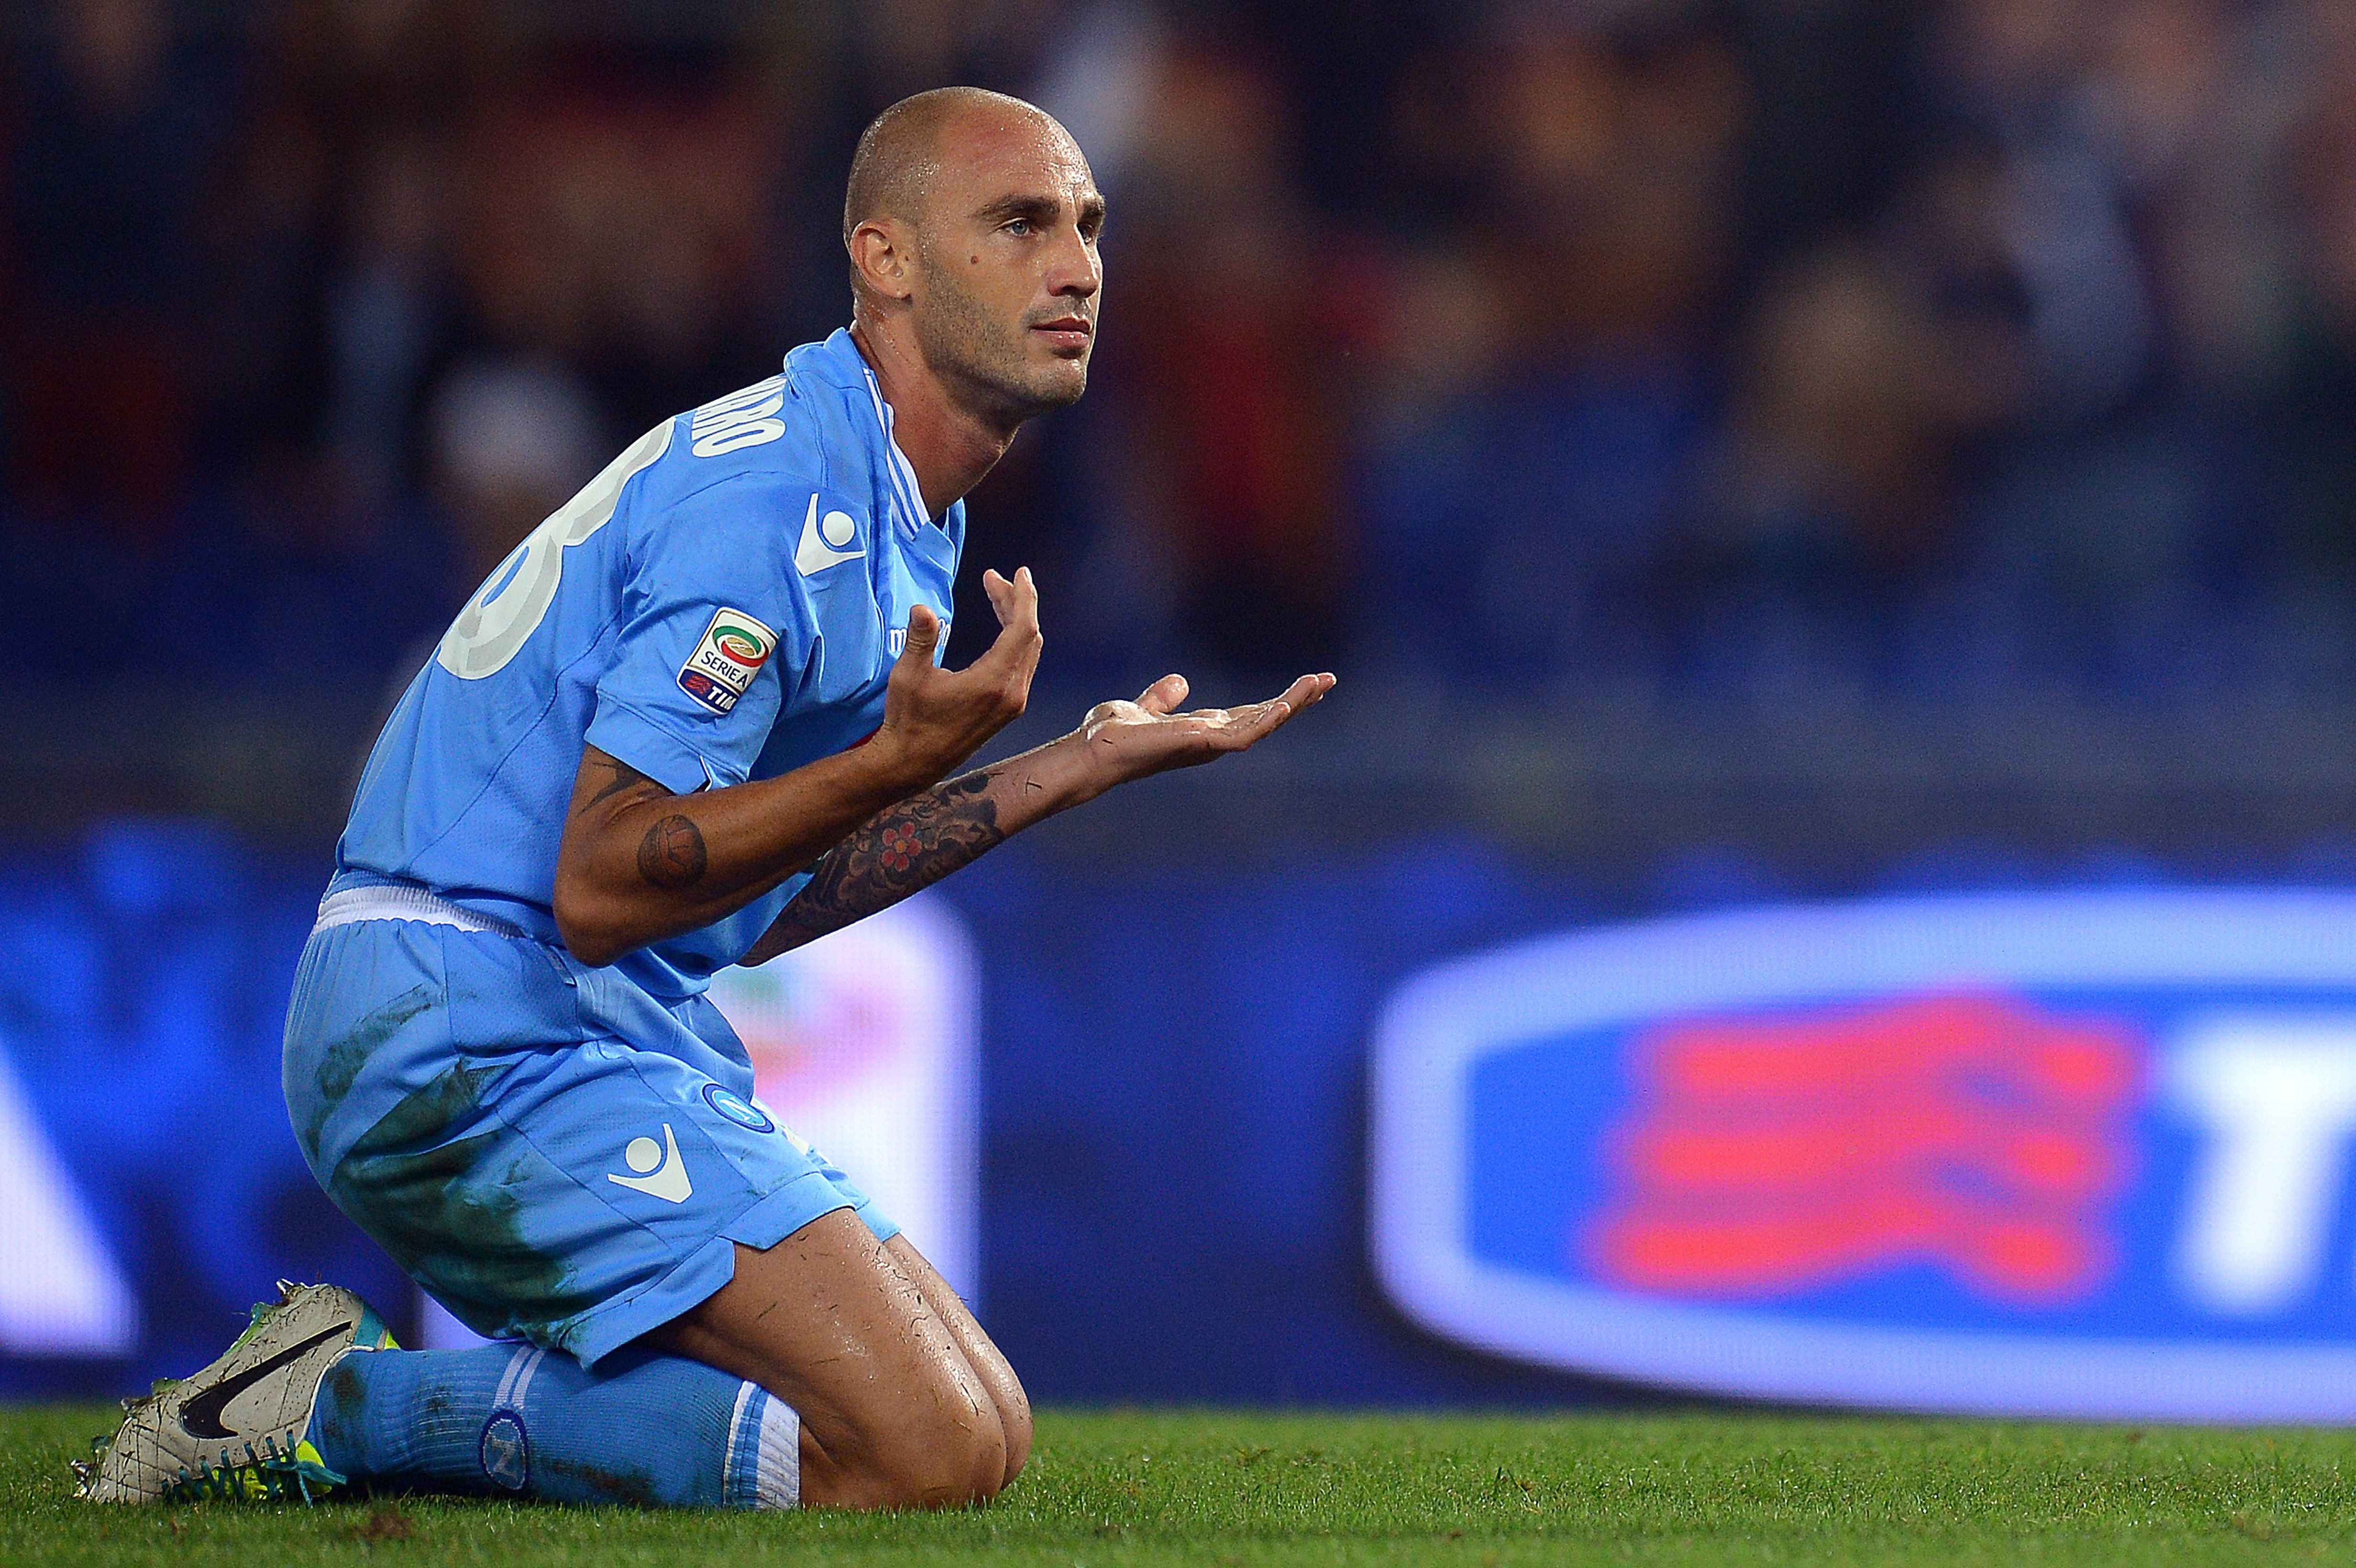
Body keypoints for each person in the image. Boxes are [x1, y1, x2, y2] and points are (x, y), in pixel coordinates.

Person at [79, 86, 1333, 1513]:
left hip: (588, 1020)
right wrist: (886, 764)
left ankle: (364, 1395)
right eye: (1021, 220)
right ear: (888, 259)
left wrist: (1066, 769)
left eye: (1090, 226)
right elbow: (608, 886)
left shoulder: (891, 502)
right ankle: (339, 1406)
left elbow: (747, 893)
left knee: (983, 1430)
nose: (1079, 263)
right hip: (463, 1029)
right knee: (913, 1452)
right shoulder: (777, 501)